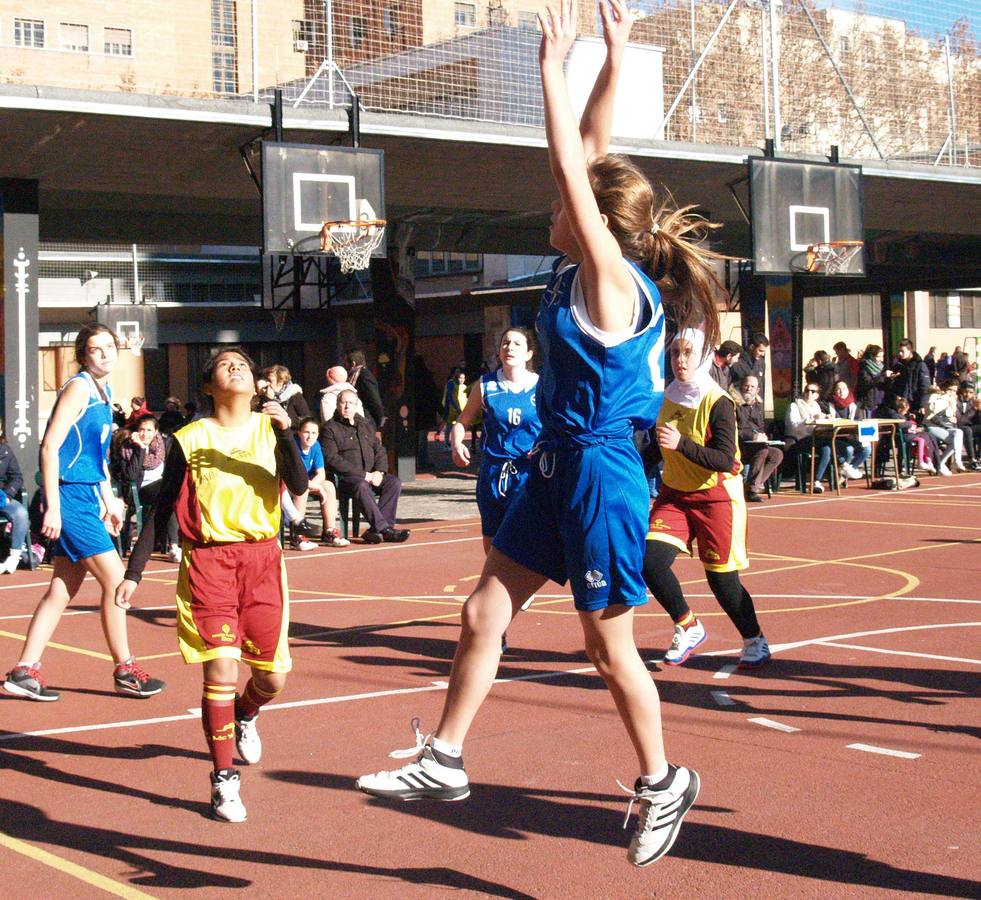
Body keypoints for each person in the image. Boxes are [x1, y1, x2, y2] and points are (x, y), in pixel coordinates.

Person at [356, 0, 710, 867]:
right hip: (555, 465)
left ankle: (664, 779)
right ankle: (443, 756)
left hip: (601, 474)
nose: (549, 207)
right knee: (483, 610)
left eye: (564, 205)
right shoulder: (578, 265)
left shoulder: (612, 284)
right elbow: (588, 153)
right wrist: (613, 60)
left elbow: (569, 162)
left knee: (604, 641)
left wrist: (549, 66)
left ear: (590, 220)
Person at [115, 346, 308, 822]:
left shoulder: (271, 429)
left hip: (263, 560)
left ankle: (247, 712)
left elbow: (300, 486)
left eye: (243, 362)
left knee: (272, 678)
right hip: (209, 563)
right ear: (208, 385)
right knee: (220, 671)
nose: (237, 365)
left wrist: (284, 432)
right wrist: (134, 572)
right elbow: (162, 511)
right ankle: (223, 780)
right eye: (225, 363)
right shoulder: (189, 438)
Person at [3, 324, 165, 703]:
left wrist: (108, 500)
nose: (105, 353)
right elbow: (50, 447)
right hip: (69, 497)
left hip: (86, 494)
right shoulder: (78, 388)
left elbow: (93, 457)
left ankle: (25, 670)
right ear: (83, 354)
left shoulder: (103, 391)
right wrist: (54, 508)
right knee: (116, 582)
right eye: (96, 349)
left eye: (110, 346)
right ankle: (125, 669)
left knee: (61, 589)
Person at [642, 330, 770, 671]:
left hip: (716, 498)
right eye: (675, 354)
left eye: (687, 353)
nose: (680, 361)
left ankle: (754, 637)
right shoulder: (668, 397)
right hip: (675, 495)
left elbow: (726, 459)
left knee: (721, 580)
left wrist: (681, 443)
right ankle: (688, 625)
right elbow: (655, 448)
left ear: (701, 357)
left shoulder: (719, 402)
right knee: (649, 561)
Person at [449, 328, 542, 650]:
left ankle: (501, 613)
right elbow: (464, 419)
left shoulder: (541, 387)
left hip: (529, 474)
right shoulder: (487, 385)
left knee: (522, 541)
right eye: (505, 342)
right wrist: (456, 440)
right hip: (494, 472)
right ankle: (506, 600)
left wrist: (546, 446)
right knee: (492, 544)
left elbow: (558, 425)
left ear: (530, 353)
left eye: (517, 343)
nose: (509, 347)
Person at [322, 390, 409, 544]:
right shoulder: (330, 428)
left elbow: (379, 450)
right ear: (337, 405)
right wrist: (364, 475)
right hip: (347, 479)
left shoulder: (365, 424)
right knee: (361, 485)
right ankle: (385, 529)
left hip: (372, 475)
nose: (347, 406)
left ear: (356, 405)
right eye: (344, 403)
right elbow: (332, 459)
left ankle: (376, 530)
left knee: (393, 482)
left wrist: (380, 472)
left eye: (351, 403)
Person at [118, 413, 181, 563]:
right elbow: (131, 476)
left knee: (173, 493)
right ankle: (174, 546)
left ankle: (176, 544)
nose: (145, 434)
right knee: (168, 493)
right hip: (139, 490)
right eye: (141, 429)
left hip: (161, 486)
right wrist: (140, 449)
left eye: (149, 430)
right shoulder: (128, 447)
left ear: (156, 432)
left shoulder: (163, 444)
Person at [292, 417, 349, 547]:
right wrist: (314, 486)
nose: (310, 436)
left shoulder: (316, 446)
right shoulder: (293, 446)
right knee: (302, 489)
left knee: (328, 485)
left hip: (308, 482)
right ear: (299, 432)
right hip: (290, 482)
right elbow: (294, 476)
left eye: (314, 433)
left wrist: (317, 486)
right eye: (306, 432)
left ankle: (329, 532)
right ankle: (298, 536)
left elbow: (321, 473)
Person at [734, 375, 783, 502]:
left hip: (756, 446)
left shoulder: (757, 407)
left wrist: (763, 436)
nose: (749, 389)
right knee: (762, 451)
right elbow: (734, 430)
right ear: (741, 386)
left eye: (752, 387)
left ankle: (752, 485)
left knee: (777, 454)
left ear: (757, 390)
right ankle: (751, 489)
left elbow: (760, 427)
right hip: (739, 446)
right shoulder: (734, 404)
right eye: (746, 385)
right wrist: (753, 436)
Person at [0, 420, 28, 574]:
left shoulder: (5, 451)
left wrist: (8, 494)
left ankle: (14, 556)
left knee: (21, 513)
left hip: (2, 496)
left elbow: (17, 477)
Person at [925, 378, 966, 474]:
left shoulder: (952, 400)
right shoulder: (935, 396)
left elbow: (951, 416)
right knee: (956, 440)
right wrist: (945, 397)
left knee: (958, 433)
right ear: (945, 389)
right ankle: (943, 464)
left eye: (954, 391)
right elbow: (933, 410)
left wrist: (953, 417)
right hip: (931, 426)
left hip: (945, 427)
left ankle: (954, 461)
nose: (952, 392)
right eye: (950, 390)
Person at [885, 339, 931, 414]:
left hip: (913, 402)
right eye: (899, 351)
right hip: (901, 403)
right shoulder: (899, 365)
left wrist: (923, 404)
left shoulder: (919, 365)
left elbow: (925, 386)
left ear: (910, 351)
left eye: (902, 351)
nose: (900, 353)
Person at [346, 349, 385, 432]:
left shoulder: (364, 376)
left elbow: (375, 401)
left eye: (346, 363)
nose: (345, 366)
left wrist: (379, 423)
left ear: (353, 364)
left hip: (367, 422)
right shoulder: (356, 375)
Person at [262, 365, 310, 429]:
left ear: (281, 381)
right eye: (266, 380)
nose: (267, 383)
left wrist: (290, 421)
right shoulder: (264, 395)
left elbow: (307, 419)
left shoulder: (294, 395)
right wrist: (268, 399)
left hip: (292, 435)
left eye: (270, 380)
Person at [855, 345, 891, 418]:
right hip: (867, 402)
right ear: (872, 356)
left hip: (880, 401)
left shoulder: (881, 367)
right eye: (878, 357)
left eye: (882, 356)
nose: (881, 359)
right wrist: (883, 376)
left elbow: (882, 383)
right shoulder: (864, 367)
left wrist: (890, 378)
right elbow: (867, 383)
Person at [730, 333, 768, 400]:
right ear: (752, 347)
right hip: (741, 406)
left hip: (756, 407)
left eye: (764, 352)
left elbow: (761, 387)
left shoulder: (761, 363)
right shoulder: (736, 363)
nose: (763, 354)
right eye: (760, 351)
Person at [441, 369, 469, 445]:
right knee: (449, 426)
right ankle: (446, 443)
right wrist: (455, 407)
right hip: (453, 409)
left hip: (461, 409)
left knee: (460, 427)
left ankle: (457, 443)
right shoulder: (451, 383)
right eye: (460, 377)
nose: (462, 379)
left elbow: (465, 398)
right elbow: (450, 396)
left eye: (463, 378)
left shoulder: (464, 386)